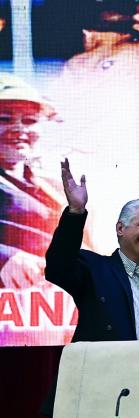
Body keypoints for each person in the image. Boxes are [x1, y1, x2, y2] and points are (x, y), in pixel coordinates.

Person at [41, 159, 139, 416]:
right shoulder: (94, 270)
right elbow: (57, 266)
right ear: (120, 229)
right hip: (97, 400)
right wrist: (75, 213)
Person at [0, 73, 61, 289]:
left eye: (29, 120)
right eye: (4, 119)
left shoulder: (54, 186)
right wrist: (4, 258)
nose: (19, 128)